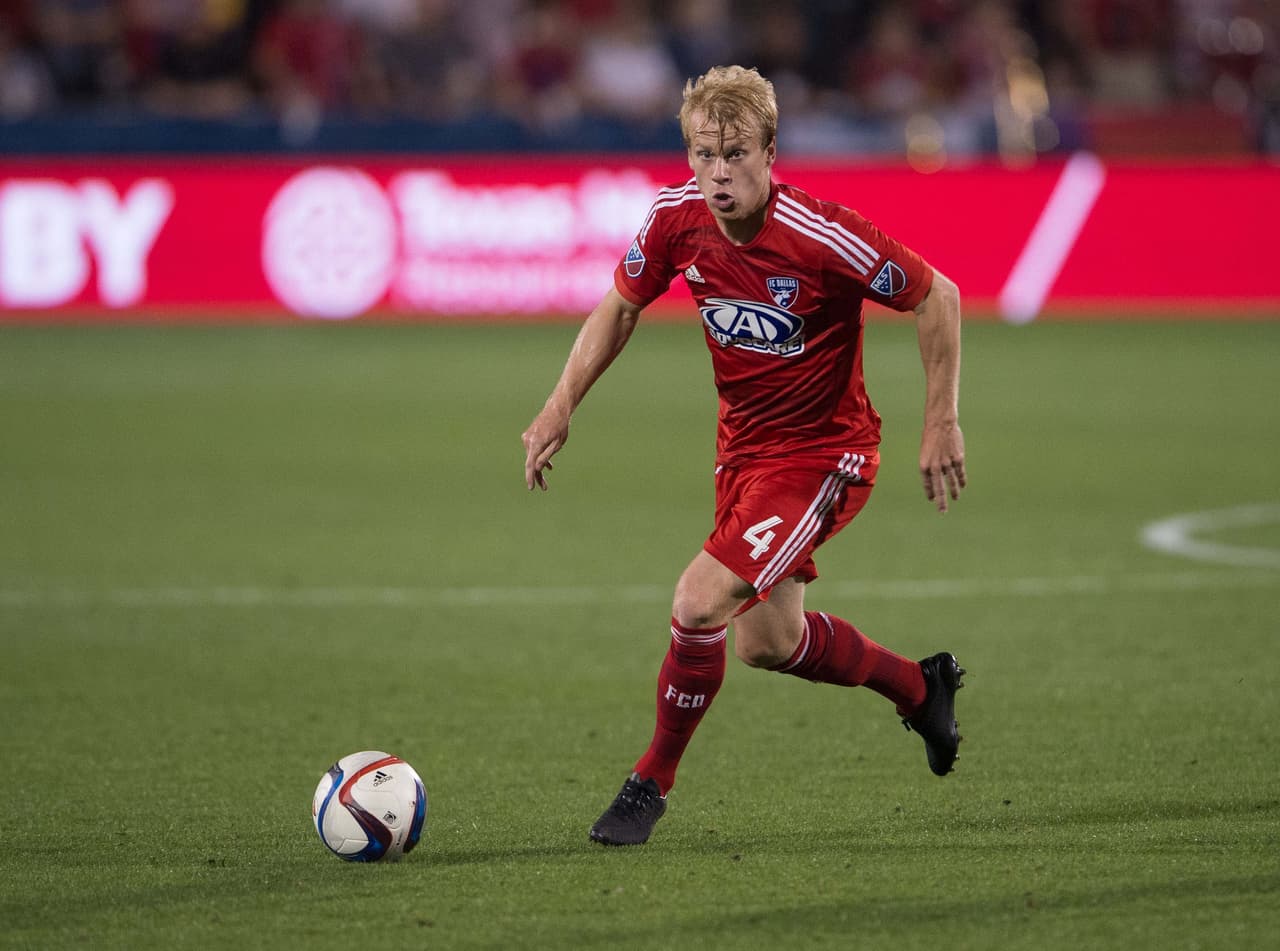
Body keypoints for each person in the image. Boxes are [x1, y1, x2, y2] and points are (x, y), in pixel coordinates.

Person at [521, 65, 967, 847]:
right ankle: (918, 687)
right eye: (703, 154)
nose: (719, 173)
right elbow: (620, 305)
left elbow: (938, 294)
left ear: (770, 150)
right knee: (770, 643)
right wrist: (560, 404)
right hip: (744, 456)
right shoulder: (675, 218)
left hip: (826, 456)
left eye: (735, 154)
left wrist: (941, 421)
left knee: (697, 602)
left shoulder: (822, 234)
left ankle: (649, 781)